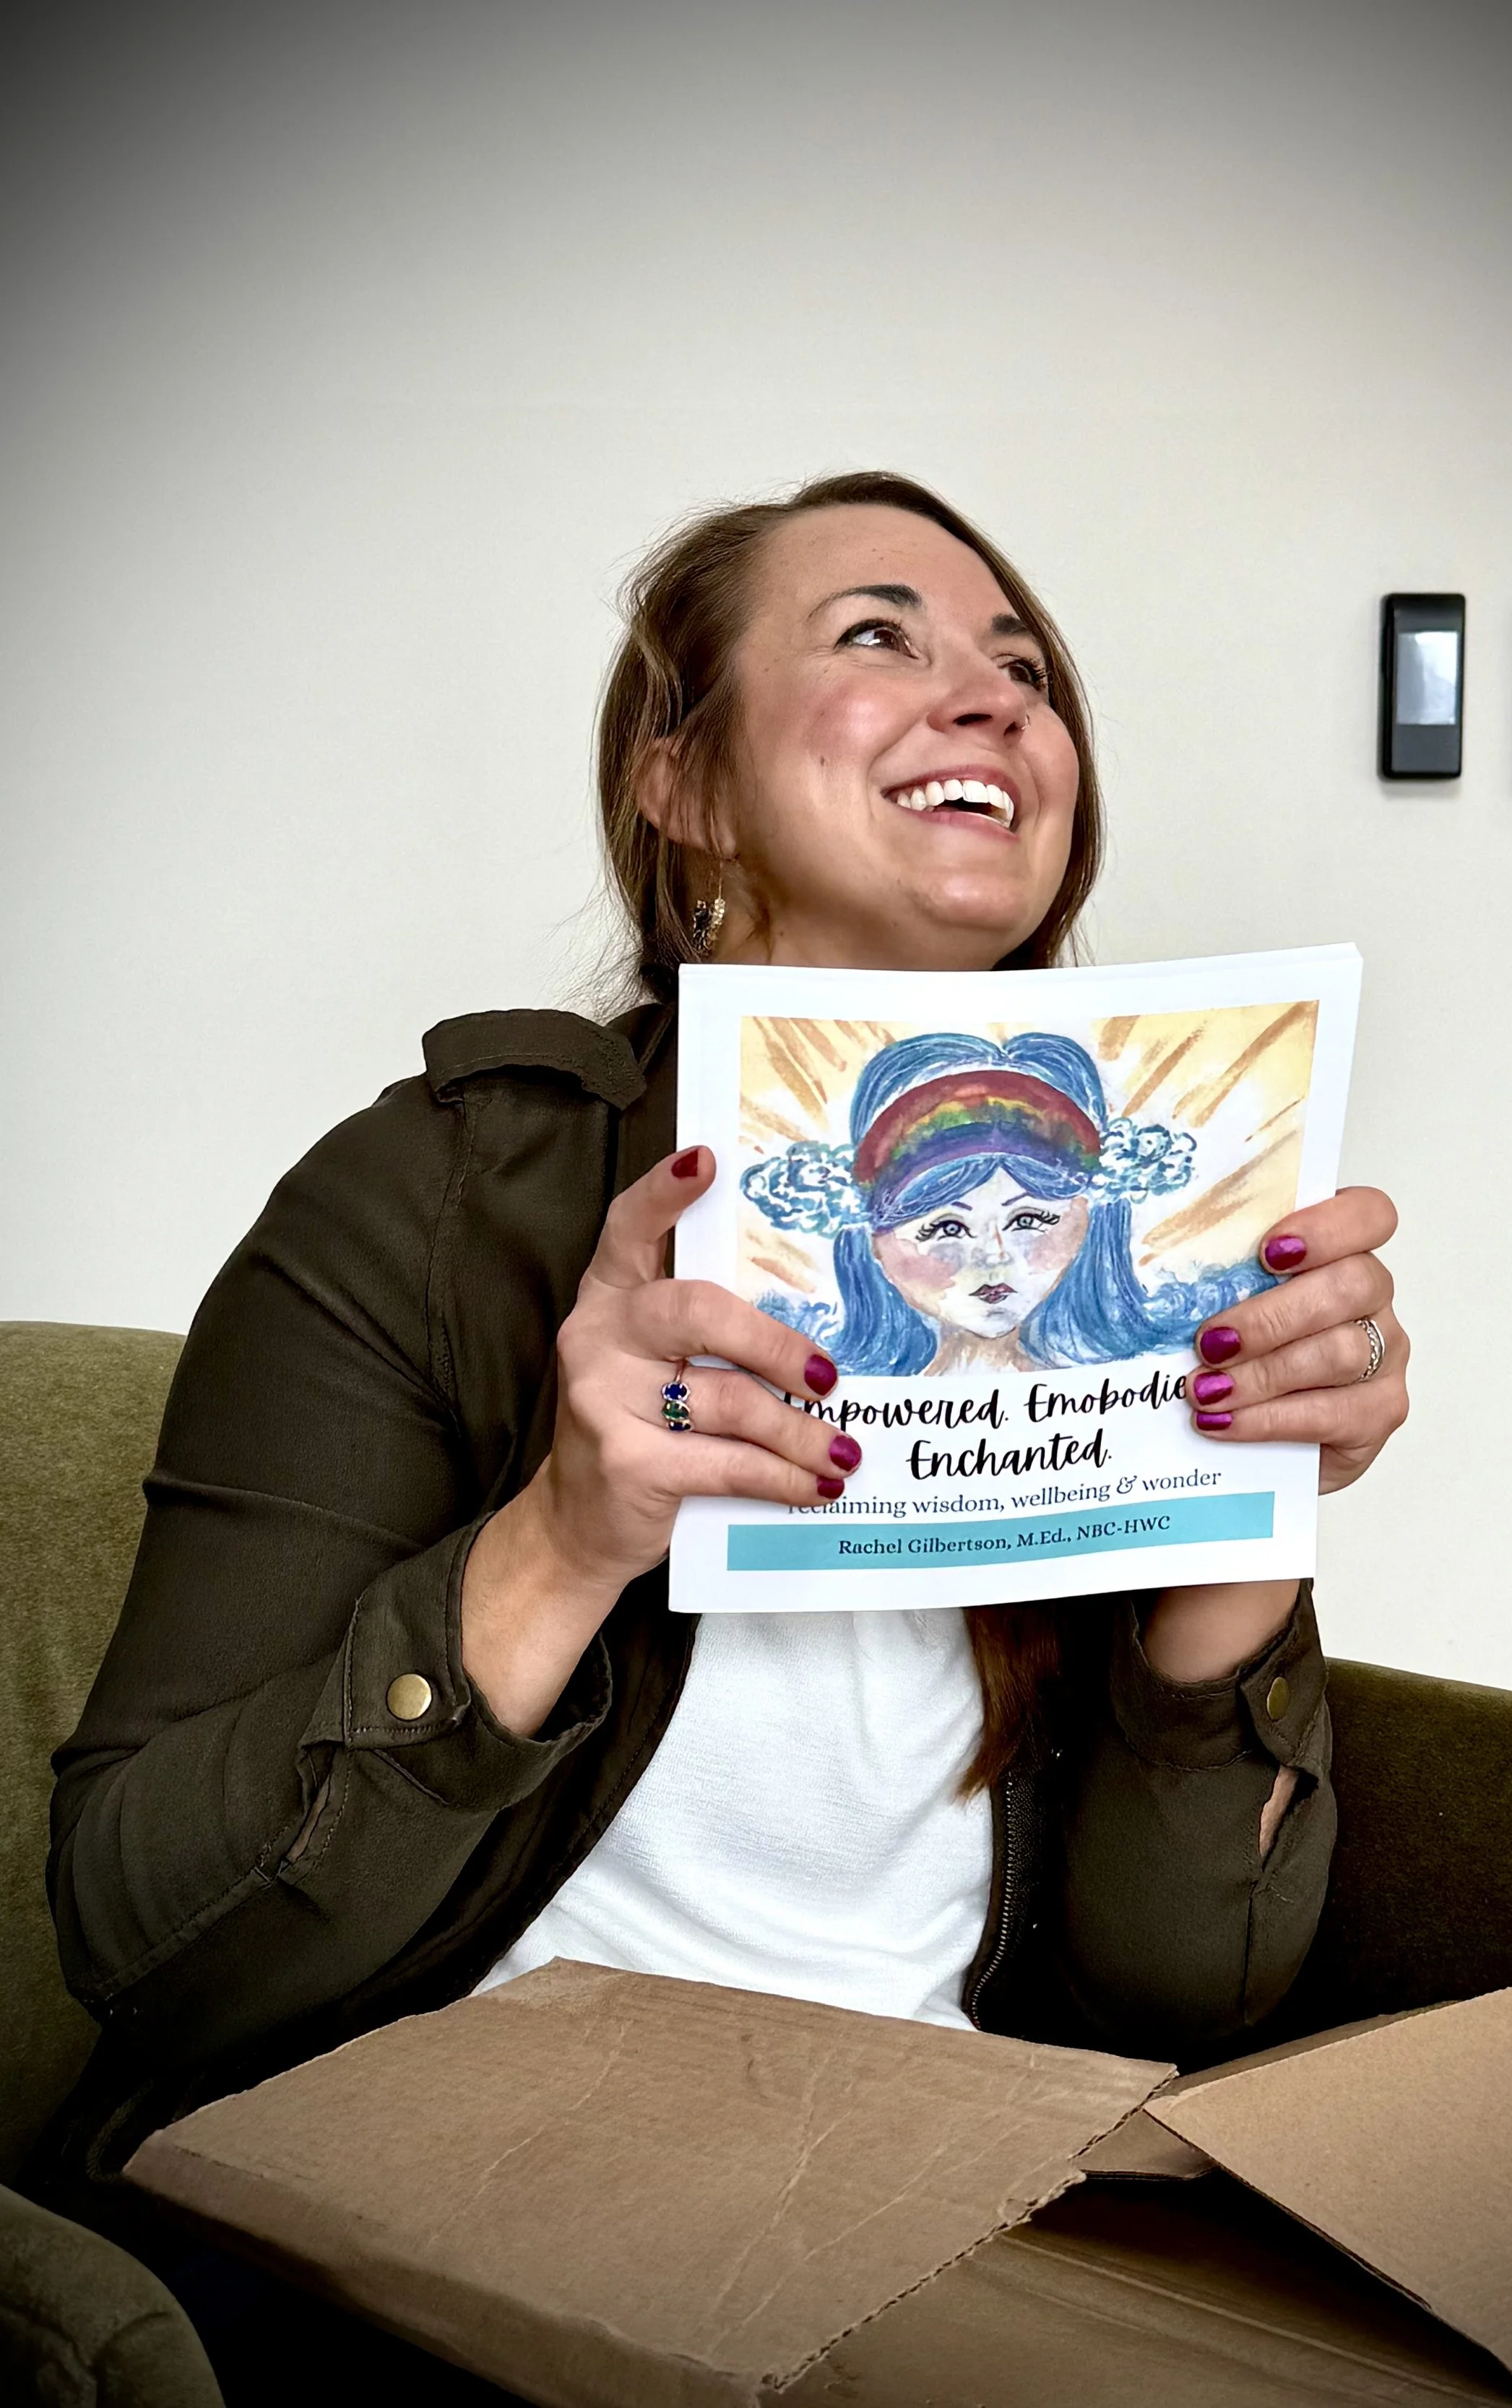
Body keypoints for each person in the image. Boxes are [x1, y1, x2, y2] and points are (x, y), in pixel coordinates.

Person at [33, 474, 1410, 2303]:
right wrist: (560, 1536)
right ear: (679, 792)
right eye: (877, 639)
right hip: (452, 2193)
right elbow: (149, 1937)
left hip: (930, 2200)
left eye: (1022, 664)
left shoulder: (1138, 1265)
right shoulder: (430, 1204)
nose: (996, 696)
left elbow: (1179, 1993)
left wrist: (1251, 1514)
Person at [742, 1028, 1276, 1373]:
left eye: (1030, 1217)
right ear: (873, 1243)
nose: (994, 1255)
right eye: (946, 1228)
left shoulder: (1173, 1363)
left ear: (1092, 1216)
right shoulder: (797, 1375)